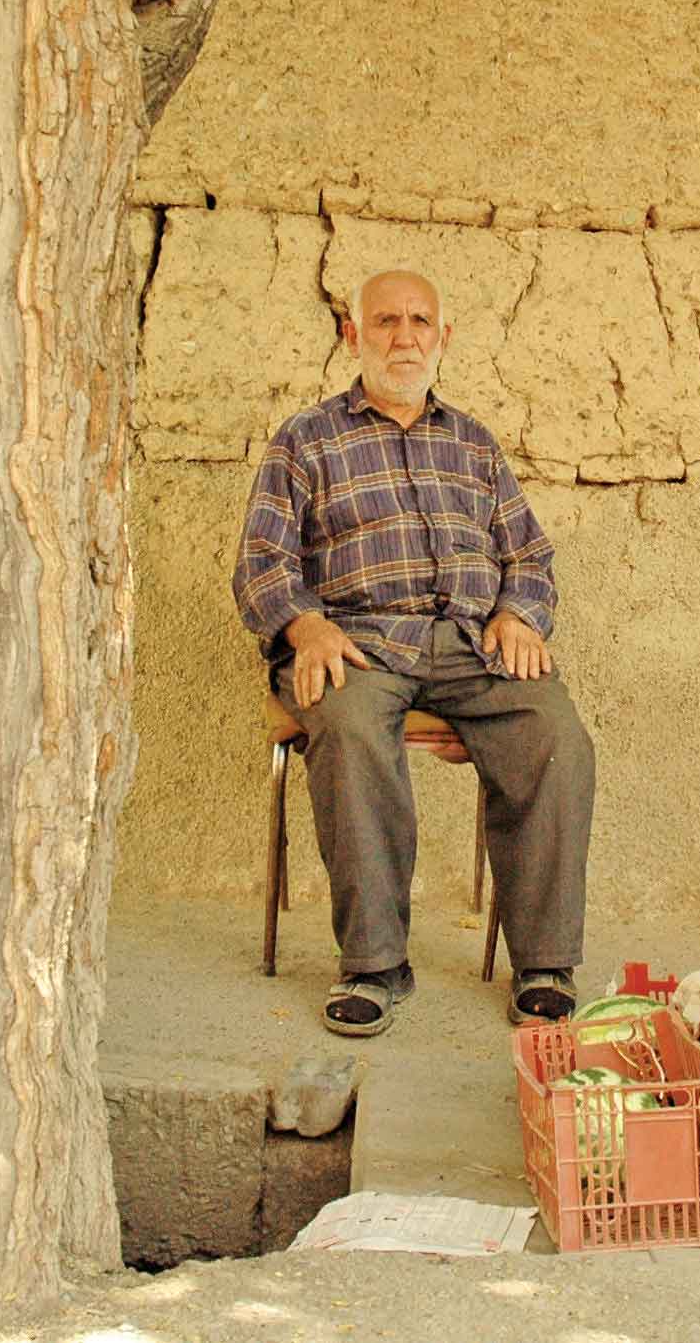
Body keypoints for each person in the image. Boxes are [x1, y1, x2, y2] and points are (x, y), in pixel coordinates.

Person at [233, 267, 596, 1036]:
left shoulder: (473, 443)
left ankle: (545, 962)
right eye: (387, 322)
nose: (405, 338)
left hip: (471, 642)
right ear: (353, 334)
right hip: (357, 643)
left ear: (444, 337)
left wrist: (521, 614)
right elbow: (262, 563)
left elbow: (529, 555)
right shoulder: (306, 440)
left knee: (555, 734)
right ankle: (374, 965)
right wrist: (306, 627)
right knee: (353, 728)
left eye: (421, 322)